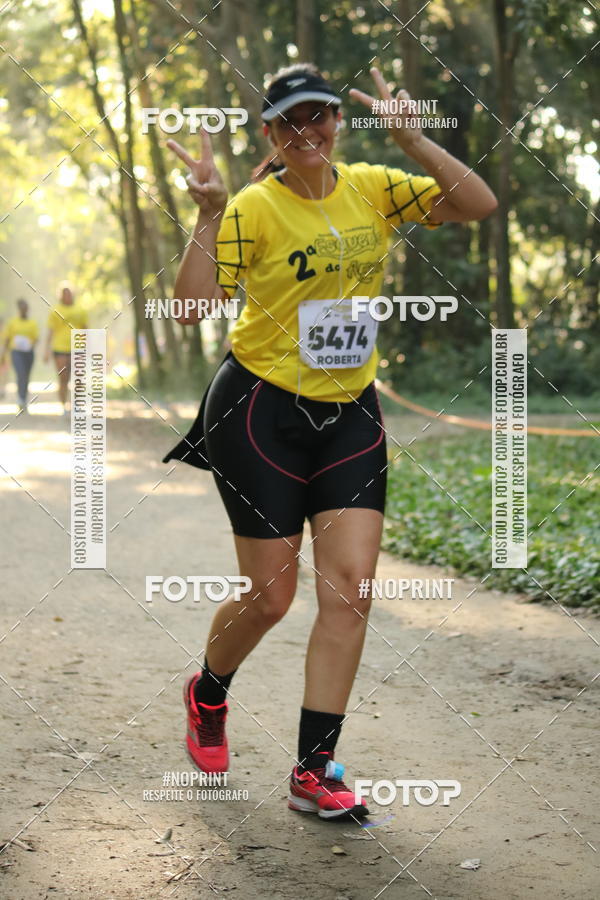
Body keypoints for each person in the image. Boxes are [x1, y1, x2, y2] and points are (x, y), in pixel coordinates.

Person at [163, 63, 497, 820]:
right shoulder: (254, 207)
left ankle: (314, 769)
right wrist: (209, 215)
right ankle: (208, 692)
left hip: (349, 412)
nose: (306, 131)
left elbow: (478, 203)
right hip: (258, 411)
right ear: (269, 134)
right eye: (289, 120)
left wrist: (413, 141)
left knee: (350, 590)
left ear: (338, 121)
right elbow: (189, 308)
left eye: (318, 115)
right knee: (270, 598)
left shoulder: (374, 187)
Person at [44, 284, 87, 415]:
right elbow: (50, 331)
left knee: (79, 377)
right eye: (64, 294)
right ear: (61, 296)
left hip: (78, 347)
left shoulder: (80, 310)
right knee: (63, 378)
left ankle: (78, 405)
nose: (67, 296)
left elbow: (86, 329)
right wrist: (46, 350)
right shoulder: (55, 311)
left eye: (69, 293)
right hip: (60, 348)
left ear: (72, 294)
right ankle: (63, 405)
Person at [1, 299, 39, 412]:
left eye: (25, 308)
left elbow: (36, 338)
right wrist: (3, 354)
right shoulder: (12, 322)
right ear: (19, 309)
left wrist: (29, 344)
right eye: (22, 308)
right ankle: (20, 398)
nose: (24, 310)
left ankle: (24, 397)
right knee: (21, 373)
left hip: (28, 352)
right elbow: (7, 339)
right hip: (16, 352)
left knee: (26, 375)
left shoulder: (32, 323)